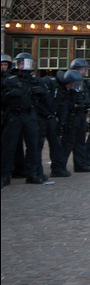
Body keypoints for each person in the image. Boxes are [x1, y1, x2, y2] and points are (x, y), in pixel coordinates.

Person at [1, 53, 44, 187]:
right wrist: (9, 95)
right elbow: (2, 100)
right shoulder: (10, 80)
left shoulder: (35, 81)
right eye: (21, 63)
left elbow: (44, 101)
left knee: (33, 145)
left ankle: (31, 174)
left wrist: (41, 92)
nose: (24, 66)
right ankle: (5, 175)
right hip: (15, 114)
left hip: (30, 114)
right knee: (9, 146)